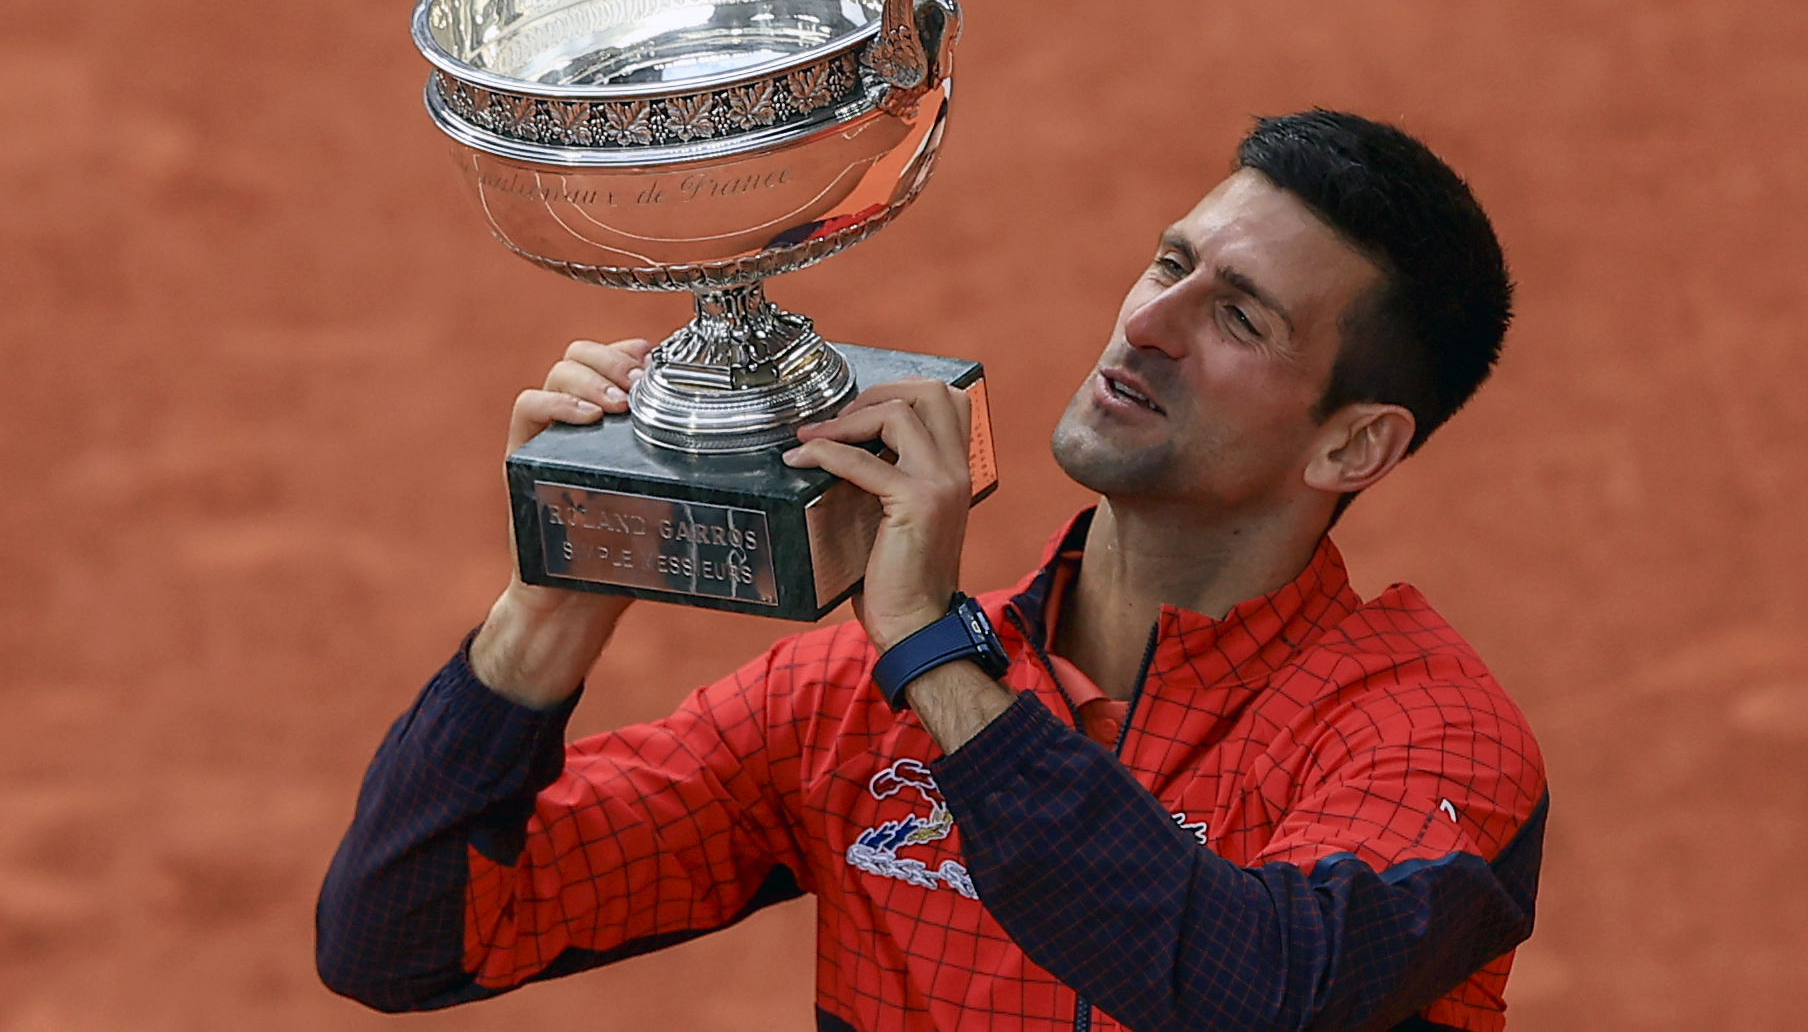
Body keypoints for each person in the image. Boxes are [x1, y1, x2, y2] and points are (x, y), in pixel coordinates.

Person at [317, 109, 1546, 1032]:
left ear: (1354, 440)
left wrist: (935, 658)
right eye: (1169, 264)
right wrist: (557, 583)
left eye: (1239, 315)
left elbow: (1252, 987)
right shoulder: (849, 699)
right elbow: (403, 933)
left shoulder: (1422, 737)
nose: (1147, 324)